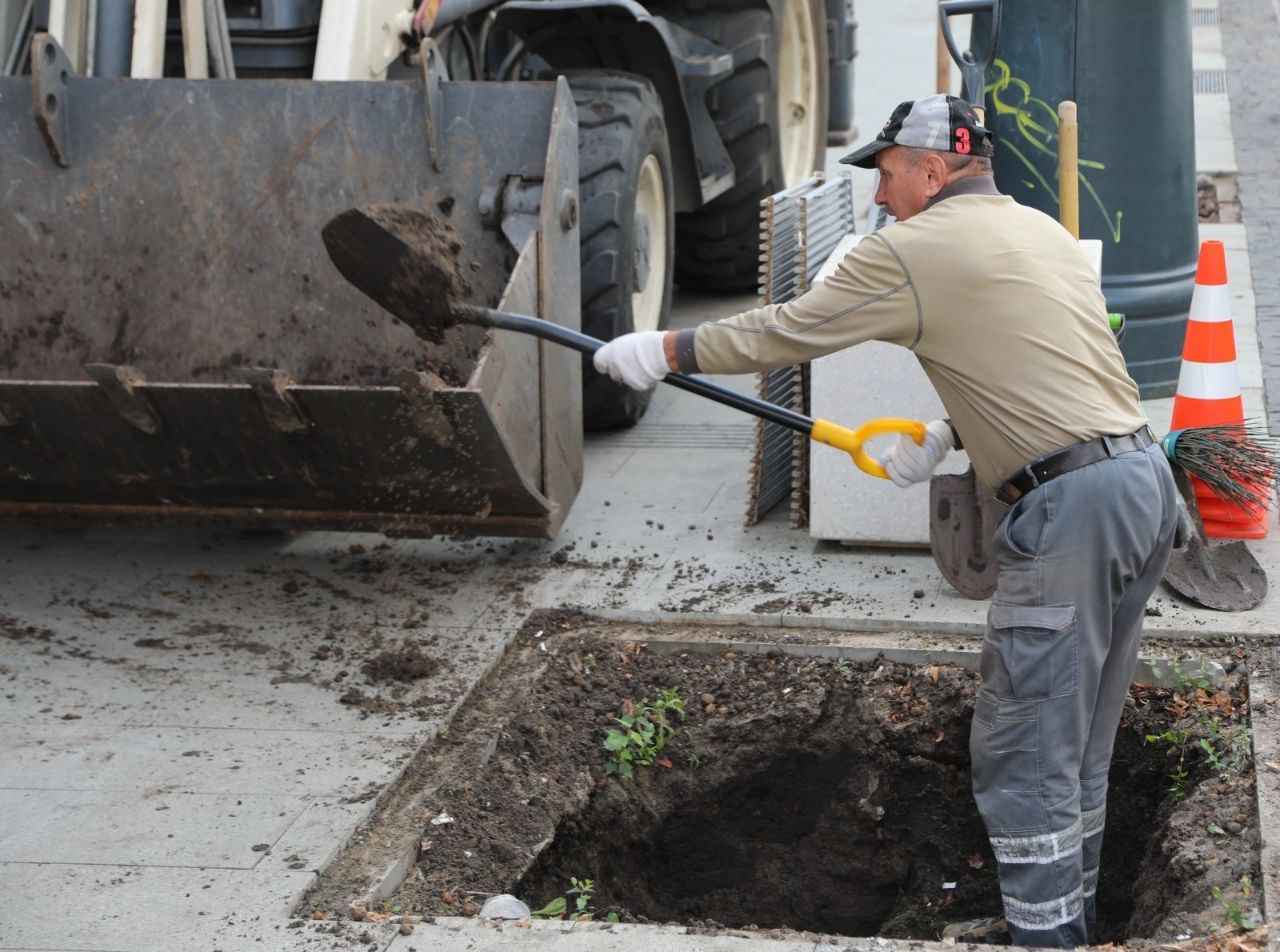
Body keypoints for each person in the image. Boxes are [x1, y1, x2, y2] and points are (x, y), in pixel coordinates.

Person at [592, 94, 1179, 949]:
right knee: (1079, 741)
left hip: (1071, 516)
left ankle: (1046, 944)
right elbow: (1059, 360)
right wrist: (954, 433)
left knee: (1025, 752)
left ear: (934, 171)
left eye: (889, 174)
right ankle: (1062, 922)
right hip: (1141, 487)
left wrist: (664, 351)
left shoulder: (909, 250)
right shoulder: (1038, 231)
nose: (877, 196)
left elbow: (790, 330)